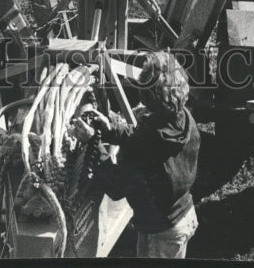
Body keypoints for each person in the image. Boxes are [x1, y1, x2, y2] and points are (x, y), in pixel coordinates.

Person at [72, 51, 200, 258]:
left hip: (162, 231)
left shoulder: (147, 142)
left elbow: (116, 186)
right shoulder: (183, 117)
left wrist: (93, 143)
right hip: (181, 214)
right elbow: (144, 136)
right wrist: (110, 129)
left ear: (148, 96)